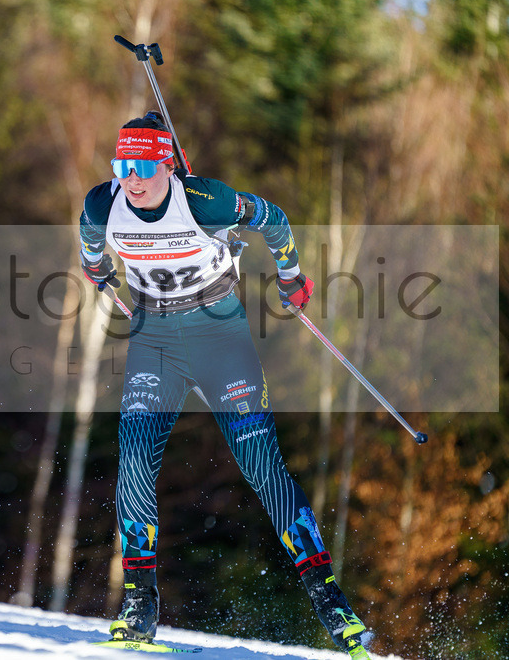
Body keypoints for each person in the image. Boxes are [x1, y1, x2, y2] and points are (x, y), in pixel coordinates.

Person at [78, 111, 370, 659]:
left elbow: (275, 218)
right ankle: (139, 603)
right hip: (154, 338)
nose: (131, 179)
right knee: (135, 456)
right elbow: (89, 242)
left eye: (141, 165)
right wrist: (97, 269)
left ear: (167, 163)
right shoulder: (104, 202)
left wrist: (291, 275)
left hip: (220, 336)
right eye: (122, 165)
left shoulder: (205, 200)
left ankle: (330, 600)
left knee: (262, 466)